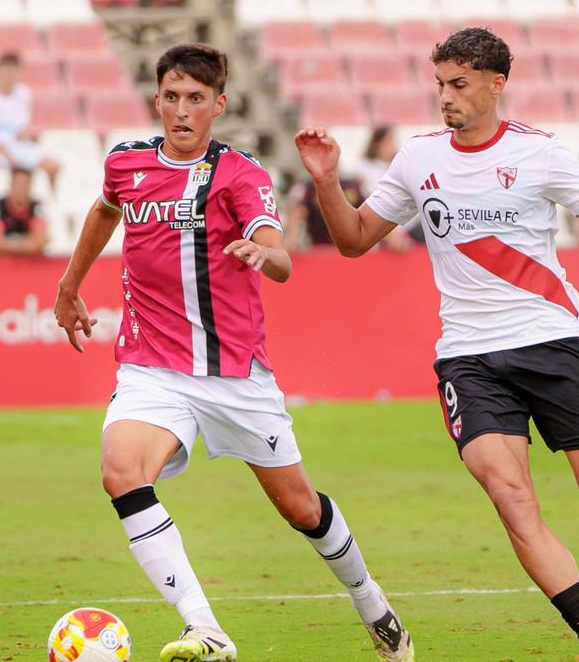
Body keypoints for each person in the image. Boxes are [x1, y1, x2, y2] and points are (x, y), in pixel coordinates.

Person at [296, 28, 579, 662]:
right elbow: (352, 240)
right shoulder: (417, 158)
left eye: (458, 85)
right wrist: (326, 180)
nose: (445, 98)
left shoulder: (541, 155)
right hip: (468, 358)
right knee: (512, 499)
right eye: (439, 85)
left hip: (548, 343)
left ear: (496, 84)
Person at [52, 43, 413, 662]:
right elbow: (104, 210)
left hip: (235, 376)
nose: (182, 111)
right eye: (171, 97)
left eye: (196, 99)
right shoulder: (127, 164)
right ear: (157, 100)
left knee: (300, 508)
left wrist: (263, 255)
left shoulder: (241, 174)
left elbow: (279, 256)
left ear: (219, 105)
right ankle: (205, 628)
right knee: (120, 472)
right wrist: (69, 285)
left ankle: (369, 600)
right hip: (152, 369)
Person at [0, 52, 61, 188]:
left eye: (14, 70)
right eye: (6, 70)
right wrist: (7, 155)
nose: (10, 75)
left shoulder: (25, 93)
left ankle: (50, 203)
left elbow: (24, 129)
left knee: (53, 166)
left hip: (18, 147)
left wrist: (22, 140)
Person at [0, 168, 47, 255]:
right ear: (11, 185)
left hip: (31, 263)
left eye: (25, 184)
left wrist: (7, 245)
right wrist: (28, 245)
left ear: (31, 186)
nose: (22, 188)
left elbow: (39, 242)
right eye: (18, 184)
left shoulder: (38, 207)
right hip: (2, 263)